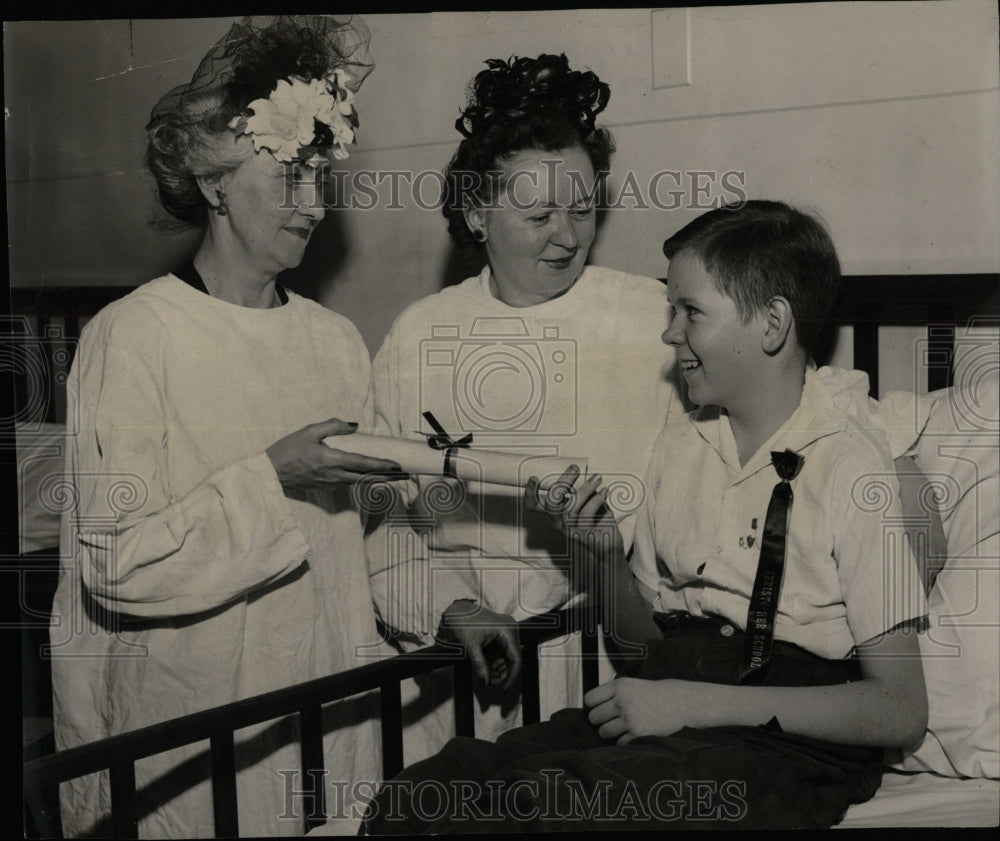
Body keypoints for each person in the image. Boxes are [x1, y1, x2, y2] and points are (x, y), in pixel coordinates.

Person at [363, 201, 929, 832]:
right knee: (433, 788)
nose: (669, 334)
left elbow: (900, 710)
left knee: (550, 801)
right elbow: (643, 653)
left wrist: (695, 703)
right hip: (679, 705)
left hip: (786, 743)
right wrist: (602, 555)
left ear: (771, 325)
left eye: (690, 312)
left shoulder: (851, 468)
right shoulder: (679, 447)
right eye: (670, 310)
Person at [49, 16, 400, 838]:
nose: (313, 204)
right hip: (197, 734)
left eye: (323, 176)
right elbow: (117, 564)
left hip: (328, 718)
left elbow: (367, 531)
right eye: (289, 177)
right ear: (213, 182)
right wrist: (272, 476)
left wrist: (443, 605)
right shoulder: (135, 338)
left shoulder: (333, 340)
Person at [366, 54, 679, 760]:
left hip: (611, 668)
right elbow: (379, 516)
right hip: (456, 673)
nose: (566, 236)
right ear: (477, 212)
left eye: (580, 209)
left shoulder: (651, 319)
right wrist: (453, 608)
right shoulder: (419, 334)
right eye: (537, 214)